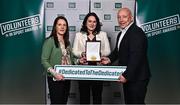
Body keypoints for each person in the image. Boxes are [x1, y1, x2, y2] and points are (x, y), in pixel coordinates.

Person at [101, 7, 151, 104]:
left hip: (137, 78)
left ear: (131, 18)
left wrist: (126, 75)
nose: (121, 20)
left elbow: (136, 57)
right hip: (129, 76)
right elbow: (118, 51)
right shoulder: (121, 33)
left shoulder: (136, 32)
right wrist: (109, 59)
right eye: (119, 17)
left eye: (124, 17)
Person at [72, 12, 111, 104]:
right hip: (83, 71)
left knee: (97, 98)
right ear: (85, 23)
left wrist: (99, 53)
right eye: (89, 21)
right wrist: (82, 53)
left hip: (98, 71)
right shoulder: (79, 35)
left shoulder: (103, 34)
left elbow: (108, 51)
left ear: (97, 23)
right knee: (84, 98)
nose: (92, 24)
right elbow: (74, 51)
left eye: (94, 22)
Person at [41, 16, 74, 104]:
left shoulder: (67, 42)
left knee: (64, 102)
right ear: (55, 26)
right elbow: (44, 60)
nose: (62, 27)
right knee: (56, 102)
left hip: (67, 77)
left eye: (64, 25)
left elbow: (72, 60)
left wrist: (80, 61)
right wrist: (55, 73)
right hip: (54, 78)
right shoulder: (50, 41)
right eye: (59, 24)